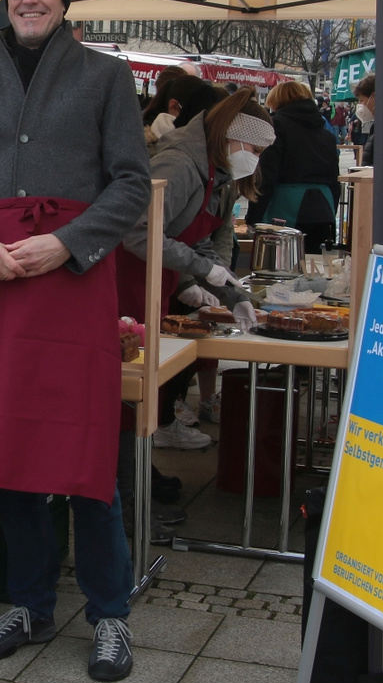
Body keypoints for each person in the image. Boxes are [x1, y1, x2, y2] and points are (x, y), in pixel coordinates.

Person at [0, 0, 149, 683]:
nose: (30, 0)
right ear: (6, 2)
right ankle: (27, 603)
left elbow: (129, 185)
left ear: (62, 1)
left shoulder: (105, 77)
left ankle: (109, 612)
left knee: (86, 455)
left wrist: (68, 243)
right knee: (11, 452)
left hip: (73, 282)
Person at [116, 89, 270, 452]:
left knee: (148, 385)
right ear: (231, 136)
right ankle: (128, 477)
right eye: (256, 151)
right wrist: (204, 270)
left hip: (156, 279)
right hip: (127, 281)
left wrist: (233, 295)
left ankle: (139, 469)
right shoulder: (182, 164)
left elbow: (193, 234)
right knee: (129, 385)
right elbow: (138, 233)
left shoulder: (210, 169)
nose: (256, 161)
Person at [253, 80, 341, 253]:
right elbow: (334, 178)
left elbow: (267, 175)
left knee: (282, 266)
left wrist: (254, 216)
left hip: (286, 207)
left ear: (277, 101)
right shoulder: (325, 131)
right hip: (323, 206)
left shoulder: (276, 126)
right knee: (314, 267)